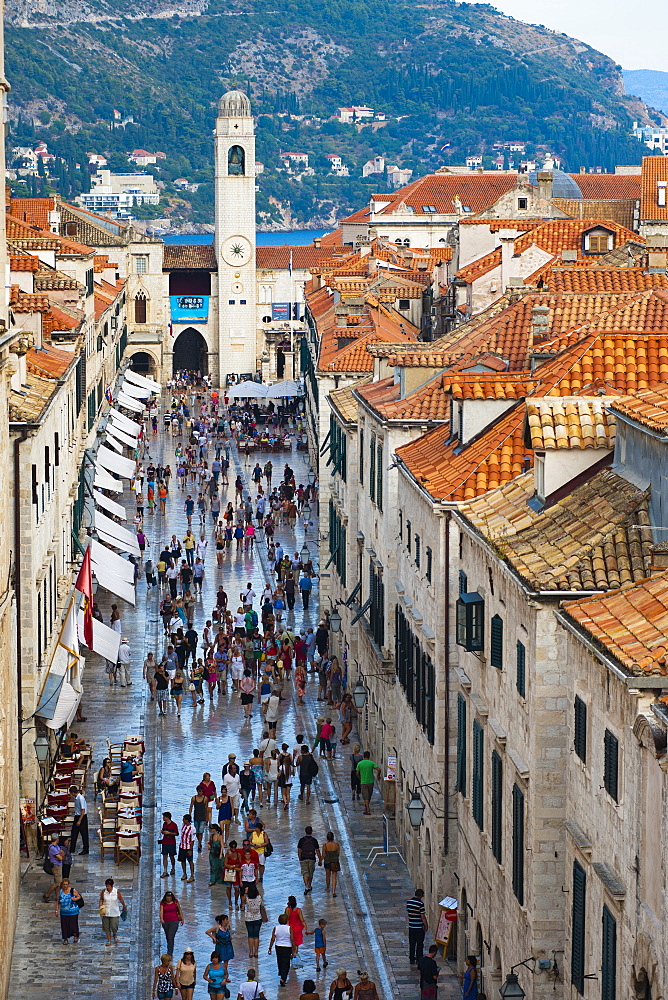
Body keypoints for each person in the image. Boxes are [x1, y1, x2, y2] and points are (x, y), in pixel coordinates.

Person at [268, 913, 294, 988]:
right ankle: (283, 978)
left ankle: (281, 972)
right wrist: (294, 948)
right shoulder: (289, 928)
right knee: (286, 963)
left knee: (280, 960)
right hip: (287, 946)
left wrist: (270, 948)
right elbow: (292, 939)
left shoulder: (276, 928)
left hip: (278, 946)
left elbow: (273, 938)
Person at [99, 877, 126, 946]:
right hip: (106, 912)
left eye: (108, 886)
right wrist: (100, 905)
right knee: (106, 927)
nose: (107, 887)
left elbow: (121, 899)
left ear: (111, 886)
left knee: (114, 926)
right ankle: (109, 940)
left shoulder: (116, 891)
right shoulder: (103, 891)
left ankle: (114, 934)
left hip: (114, 912)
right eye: (106, 886)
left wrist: (124, 906)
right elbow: (101, 899)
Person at [206, 913, 234, 980]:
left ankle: (225, 975)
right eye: (226, 919)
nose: (228, 921)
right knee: (219, 960)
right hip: (220, 946)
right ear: (223, 920)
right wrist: (213, 937)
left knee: (226, 962)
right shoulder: (217, 927)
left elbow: (229, 933)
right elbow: (207, 931)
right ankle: (219, 974)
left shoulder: (228, 927)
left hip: (228, 945)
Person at [55, 877, 82, 944]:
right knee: (64, 925)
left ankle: (75, 935)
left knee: (73, 925)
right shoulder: (60, 892)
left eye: (66, 884)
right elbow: (58, 901)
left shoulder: (73, 890)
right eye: (64, 884)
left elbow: (79, 896)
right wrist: (56, 910)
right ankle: (65, 938)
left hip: (73, 911)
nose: (65, 886)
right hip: (63, 912)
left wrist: (75, 899)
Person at [297, 825, 321, 895]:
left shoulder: (301, 840)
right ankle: (309, 885)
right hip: (312, 858)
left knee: (305, 873)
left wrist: (300, 858)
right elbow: (317, 850)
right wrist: (320, 859)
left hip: (303, 858)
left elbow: (299, 850)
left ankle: (306, 886)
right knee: (310, 873)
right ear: (311, 832)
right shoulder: (314, 840)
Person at [407, 888, 428, 964]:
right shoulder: (420, 904)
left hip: (411, 926)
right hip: (419, 927)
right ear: (420, 895)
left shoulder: (408, 902)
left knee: (412, 943)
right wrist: (426, 925)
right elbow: (423, 916)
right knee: (419, 943)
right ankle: (419, 958)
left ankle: (411, 958)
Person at [160, 891, 184, 955]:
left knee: (171, 936)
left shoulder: (175, 902)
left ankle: (170, 952)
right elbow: (161, 911)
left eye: (170, 898)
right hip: (166, 922)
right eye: (167, 898)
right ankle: (170, 947)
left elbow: (179, 910)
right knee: (167, 936)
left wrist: (182, 918)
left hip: (174, 921)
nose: (168, 899)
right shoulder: (162, 903)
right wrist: (161, 919)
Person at [43, 833, 64, 901]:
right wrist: (60, 856)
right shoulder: (52, 848)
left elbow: (62, 853)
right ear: (57, 839)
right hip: (56, 866)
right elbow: (60, 857)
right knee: (58, 882)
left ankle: (57, 897)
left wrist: (60, 855)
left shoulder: (56, 846)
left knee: (57, 882)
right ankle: (47, 894)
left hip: (59, 865)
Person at [285, 894, 307, 960]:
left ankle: (292, 954)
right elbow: (302, 920)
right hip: (297, 928)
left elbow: (286, 918)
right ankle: (295, 954)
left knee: (291, 942)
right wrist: (306, 927)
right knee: (296, 943)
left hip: (290, 928)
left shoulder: (287, 909)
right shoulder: (298, 910)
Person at [190, 786, 211, 852]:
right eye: (200, 791)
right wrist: (189, 815)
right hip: (196, 817)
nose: (201, 793)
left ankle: (199, 843)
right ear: (197, 791)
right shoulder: (194, 798)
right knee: (196, 831)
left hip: (203, 817)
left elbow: (207, 808)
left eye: (202, 791)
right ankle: (199, 841)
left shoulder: (205, 798)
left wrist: (207, 817)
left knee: (201, 831)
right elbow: (191, 806)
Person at [70, 784, 89, 855]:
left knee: (84, 834)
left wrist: (79, 820)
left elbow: (83, 810)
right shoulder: (76, 798)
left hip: (81, 817)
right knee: (74, 833)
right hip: (77, 816)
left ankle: (86, 849)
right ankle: (72, 848)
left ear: (73, 792)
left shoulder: (80, 798)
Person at [160, 812, 179, 877]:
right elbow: (162, 830)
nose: (163, 818)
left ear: (167, 817)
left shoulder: (174, 825)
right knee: (164, 856)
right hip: (165, 842)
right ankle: (165, 871)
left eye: (164, 817)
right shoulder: (164, 824)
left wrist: (169, 833)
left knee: (171, 856)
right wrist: (163, 832)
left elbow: (176, 833)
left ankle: (173, 868)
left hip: (171, 843)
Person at [322, 831, 341, 896]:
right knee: (334, 876)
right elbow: (338, 854)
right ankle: (333, 891)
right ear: (333, 837)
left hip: (327, 861)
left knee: (328, 875)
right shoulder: (337, 845)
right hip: (335, 861)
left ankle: (328, 887)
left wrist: (320, 860)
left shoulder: (325, 845)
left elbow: (323, 854)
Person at [179, 814, 195, 882]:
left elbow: (193, 840)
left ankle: (192, 875)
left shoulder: (192, 828)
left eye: (184, 819)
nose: (183, 820)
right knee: (182, 861)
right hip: (182, 846)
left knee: (190, 861)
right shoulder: (183, 825)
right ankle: (184, 873)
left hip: (188, 847)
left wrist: (190, 850)